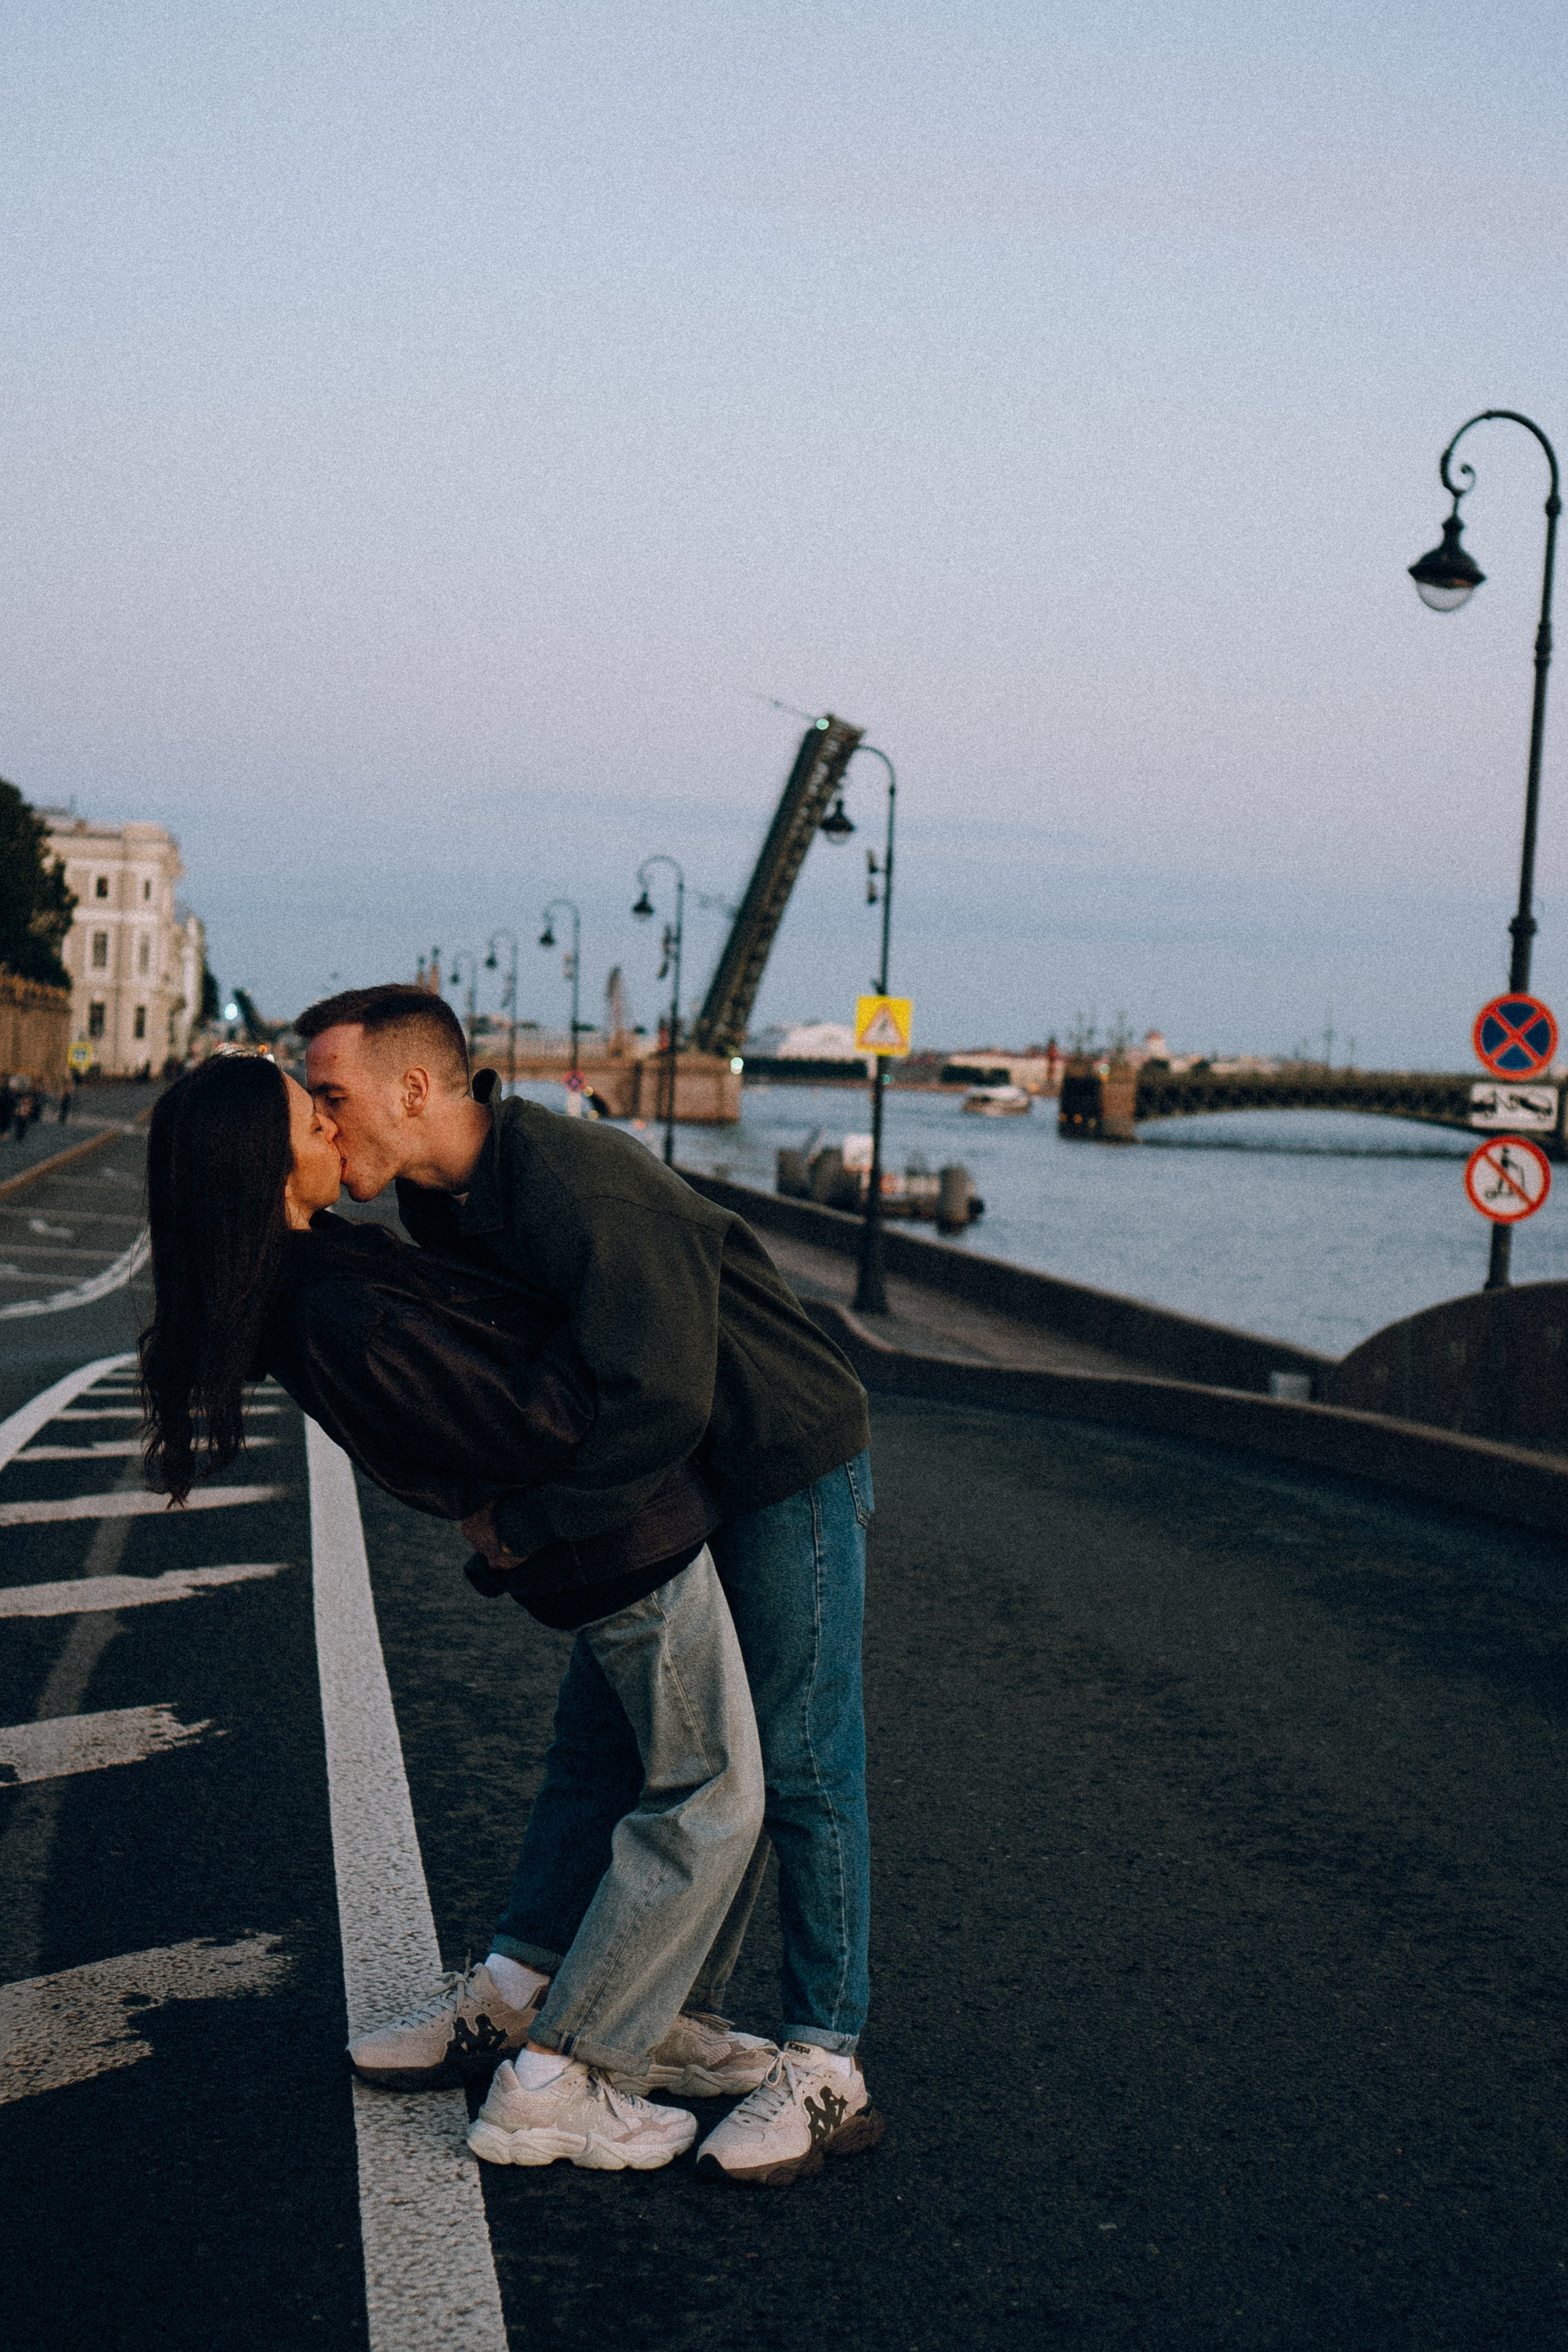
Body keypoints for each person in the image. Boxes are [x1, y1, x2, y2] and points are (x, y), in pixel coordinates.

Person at [139, 1052, 777, 2174]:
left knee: (634, 1777)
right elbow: (529, 1423)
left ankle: (646, 2016)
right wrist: (629, 1347)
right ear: (261, 1161)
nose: (336, 1132)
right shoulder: (334, 1306)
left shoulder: (319, 1270)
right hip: (615, 1546)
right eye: (312, 1118)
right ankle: (565, 2077)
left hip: (603, 1543)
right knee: (710, 1797)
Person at [301, 984, 884, 2187]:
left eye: (331, 1094)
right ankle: (525, 1989)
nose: (322, 1117)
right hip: (665, 1489)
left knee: (799, 1759)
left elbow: (652, 1399)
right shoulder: (442, 1201)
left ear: (415, 1088)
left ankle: (824, 2063)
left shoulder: (577, 1187)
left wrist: (522, 1526)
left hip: (771, 1460)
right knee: (596, 1748)